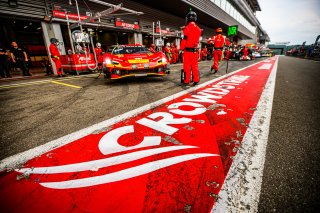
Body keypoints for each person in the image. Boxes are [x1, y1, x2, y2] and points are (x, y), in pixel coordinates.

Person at [180, 10, 202, 87]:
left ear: (188, 18)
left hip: (187, 51)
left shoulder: (187, 28)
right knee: (195, 66)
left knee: (187, 66)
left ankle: (187, 81)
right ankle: (196, 80)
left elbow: (184, 40)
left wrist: (181, 48)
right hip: (195, 51)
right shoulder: (199, 29)